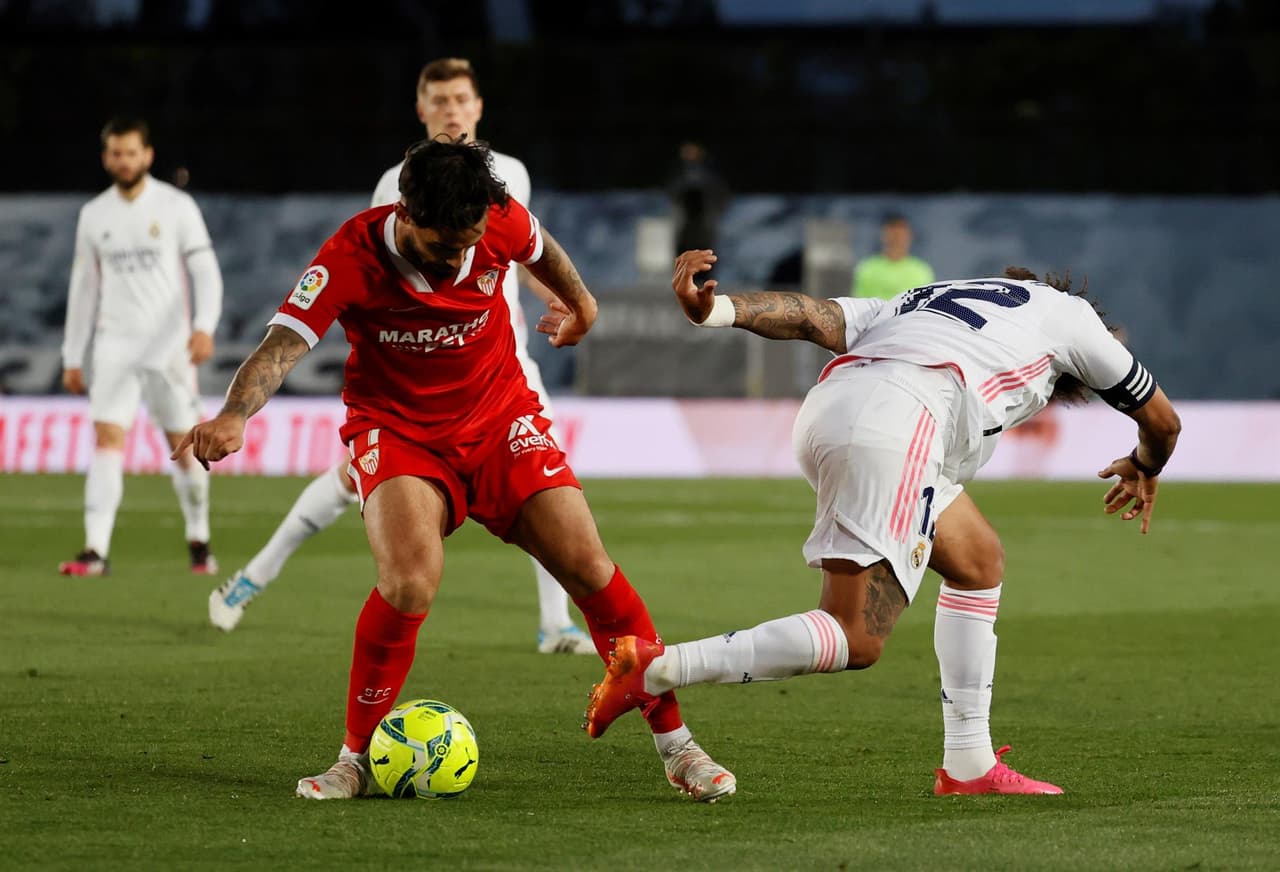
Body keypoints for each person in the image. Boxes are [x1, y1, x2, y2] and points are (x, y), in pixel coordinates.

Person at [175, 138, 735, 802]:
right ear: (405, 212)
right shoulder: (350, 255)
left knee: (590, 566)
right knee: (410, 582)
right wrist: (235, 413)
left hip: (499, 418)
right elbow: (283, 344)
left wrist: (583, 305)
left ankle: (678, 746)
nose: (458, 259)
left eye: (469, 244)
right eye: (444, 247)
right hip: (399, 431)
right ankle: (355, 758)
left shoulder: (495, 217)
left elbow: (542, 249)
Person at [583, 250, 1181, 796]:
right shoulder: (1074, 318)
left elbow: (810, 317)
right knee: (857, 636)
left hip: (834, 409)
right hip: (902, 419)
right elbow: (1162, 422)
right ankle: (658, 668)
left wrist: (715, 311)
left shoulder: (925, 298)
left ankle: (969, 763)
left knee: (978, 561)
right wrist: (1145, 465)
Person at [207, 57, 594, 655]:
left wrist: (564, 300)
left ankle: (555, 623)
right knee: (351, 480)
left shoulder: (510, 174)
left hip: (503, 367)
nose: (451, 110)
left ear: (478, 106)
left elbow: (517, 252)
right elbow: (376, 280)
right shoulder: (397, 183)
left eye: (460, 99)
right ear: (421, 110)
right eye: (439, 101)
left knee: (543, 483)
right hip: (414, 385)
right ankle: (255, 575)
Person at [59, 116, 224, 577]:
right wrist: (73, 355)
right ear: (106, 158)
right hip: (114, 345)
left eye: (131, 152)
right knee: (106, 438)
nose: (124, 161)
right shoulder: (94, 214)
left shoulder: (176, 206)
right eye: (116, 153)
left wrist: (204, 326)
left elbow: (205, 272)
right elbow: (83, 289)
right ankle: (95, 550)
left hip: (170, 348)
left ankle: (199, 538)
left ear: (147, 155)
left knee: (184, 445)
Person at [852, 213, 935, 300]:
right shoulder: (867, 268)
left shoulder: (921, 271)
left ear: (910, 236)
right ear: (883, 235)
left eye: (901, 235)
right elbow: (859, 302)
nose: (897, 239)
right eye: (893, 234)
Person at [667, 141, 729, 254]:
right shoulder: (678, 170)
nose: (689, 154)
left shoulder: (709, 171)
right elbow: (672, 190)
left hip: (703, 216)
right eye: (686, 151)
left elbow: (719, 191)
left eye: (692, 150)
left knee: (703, 243)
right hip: (685, 218)